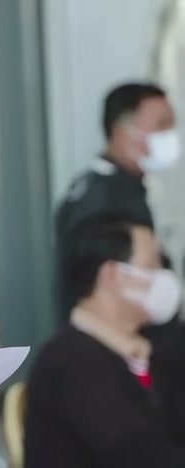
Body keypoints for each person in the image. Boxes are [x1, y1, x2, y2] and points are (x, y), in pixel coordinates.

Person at [25, 219, 185, 467]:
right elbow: (138, 456)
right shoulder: (70, 362)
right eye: (152, 264)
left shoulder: (144, 351)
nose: (164, 278)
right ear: (112, 273)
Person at [55, 82, 179, 316]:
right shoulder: (109, 200)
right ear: (123, 131)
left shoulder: (105, 186)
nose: (171, 136)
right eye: (161, 126)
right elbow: (111, 292)